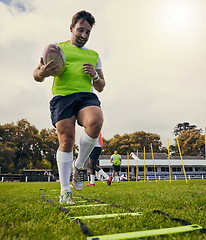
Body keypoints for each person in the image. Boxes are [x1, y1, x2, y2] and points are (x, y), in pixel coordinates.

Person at [33, 11, 105, 204]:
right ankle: (65, 191)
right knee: (66, 140)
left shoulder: (93, 55)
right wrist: (43, 72)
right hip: (62, 98)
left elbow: (101, 86)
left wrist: (95, 76)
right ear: (71, 28)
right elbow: (36, 75)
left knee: (96, 120)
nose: (84, 35)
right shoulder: (55, 49)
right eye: (81, 30)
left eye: (88, 32)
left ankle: (79, 165)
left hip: (85, 97)